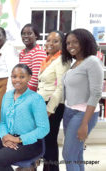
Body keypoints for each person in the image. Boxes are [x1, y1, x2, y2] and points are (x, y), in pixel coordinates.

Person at [0, 64, 50, 171]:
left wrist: (17, 139)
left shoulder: (36, 99)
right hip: (9, 137)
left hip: (30, 143)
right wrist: (4, 137)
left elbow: (44, 129)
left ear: (29, 77)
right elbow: (3, 122)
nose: (17, 80)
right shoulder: (7, 96)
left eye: (22, 77)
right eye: (14, 76)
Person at [61, 28, 103, 171]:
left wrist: (85, 123)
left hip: (83, 114)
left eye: (75, 42)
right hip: (69, 112)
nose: (70, 46)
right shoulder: (75, 63)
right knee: (77, 154)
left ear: (84, 42)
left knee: (68, 155)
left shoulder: (92, 61)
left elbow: (96, 93)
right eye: (68, 43)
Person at [37, 30, 71, 171]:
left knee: (50, 141)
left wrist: (49, 109)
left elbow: (61, 87)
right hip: (43, 102)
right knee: (45, 141)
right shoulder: (49, 58)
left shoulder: (62, 60)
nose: (50, 43)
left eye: (55, 41)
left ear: (62, 44)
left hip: (53, 105)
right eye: (48, 40)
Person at [19, 23, 47, 92]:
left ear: (36, 36)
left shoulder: (38, 52)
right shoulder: (22, 53)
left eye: (29, 33)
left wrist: (23, 94)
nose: (26, 36)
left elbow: (35, 79)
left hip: (31, 93)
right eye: (23, 34)